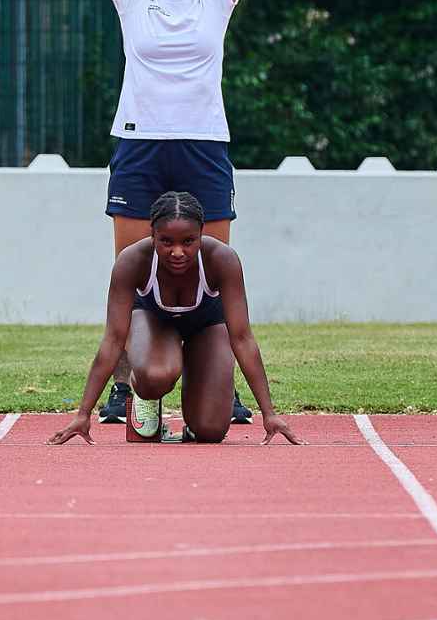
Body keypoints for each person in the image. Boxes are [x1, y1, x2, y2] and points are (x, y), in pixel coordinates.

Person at [95, 0, 255, 428]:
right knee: (131, 272)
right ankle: (123, 384)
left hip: (203, 145)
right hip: (139, 144)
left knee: (214, 269)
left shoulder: (217, 0)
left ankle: (223, 383)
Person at [49, 191, 300, 446]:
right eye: (166, 241)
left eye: (189, 241)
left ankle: (196, 409)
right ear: (152, 235)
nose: (177, 252)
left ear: (202, 234)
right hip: (153, 322)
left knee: (210, 431)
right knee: (157, 374)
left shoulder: (222, 259)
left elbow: (243, 339)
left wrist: (269, 414)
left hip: (206, 326)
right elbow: (113, 340)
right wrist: (83, 414)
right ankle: (145, 392)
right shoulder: (132, 261)